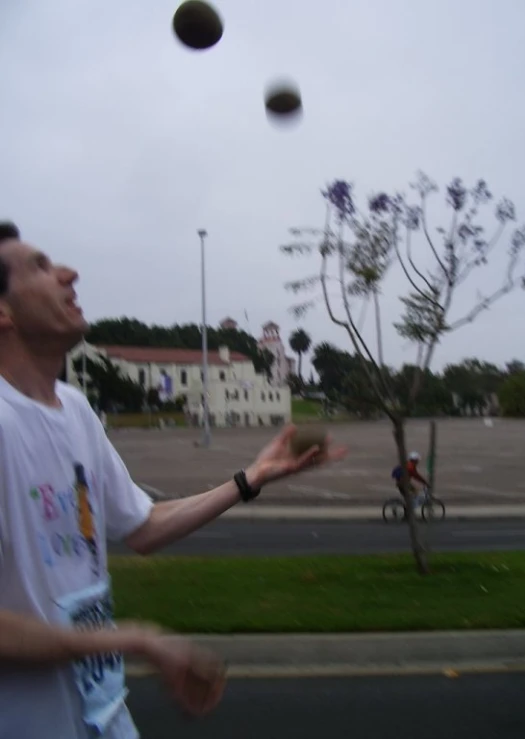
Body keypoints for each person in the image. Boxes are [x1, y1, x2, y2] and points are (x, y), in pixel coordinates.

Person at [0, 222, 347, 739]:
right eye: (41, 267)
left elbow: (143, 525)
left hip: (103, 720)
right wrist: (134, 639)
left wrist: (249, 479)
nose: (69, 274)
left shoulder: (75, 410)